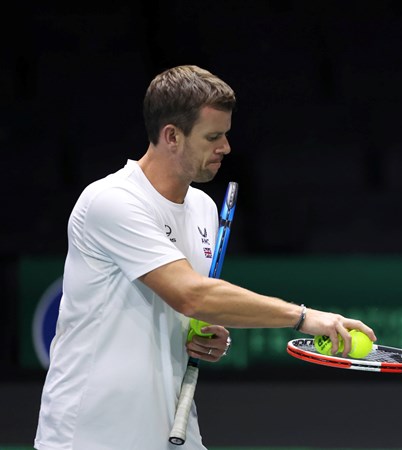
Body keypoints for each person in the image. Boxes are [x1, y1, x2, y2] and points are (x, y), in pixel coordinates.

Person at [34, 64, 377, 450]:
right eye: (213, 136)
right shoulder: (112, 201)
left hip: (171, 429)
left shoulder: (202, 208)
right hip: (92, 434)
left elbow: (189, 309)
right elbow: (192, 295)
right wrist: (303, 317)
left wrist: (202, 334)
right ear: (171, 137)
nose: (226, 148)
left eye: (226, 135)